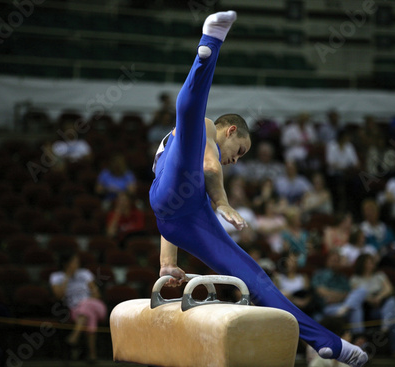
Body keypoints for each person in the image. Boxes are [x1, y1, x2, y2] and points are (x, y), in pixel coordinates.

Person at [148, 11, 367, 367]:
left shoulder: (208, 155)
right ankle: (209, 44)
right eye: (241, 151)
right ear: (231, 132)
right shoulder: (208, 131)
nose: (238, 160)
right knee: (192, 116)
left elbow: (179, 204)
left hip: (180, 219)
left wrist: (166, 264)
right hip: (176, 192)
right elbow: (209, 165)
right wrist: (222, 202)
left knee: (254, 279)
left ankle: (327, 344)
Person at [50, 253, 107, 362]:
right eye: (74, 262)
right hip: (74, 310)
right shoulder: (56, 277)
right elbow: (59, 296)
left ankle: (75, 337)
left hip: (96, 306)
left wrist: (86, 301)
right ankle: (92, 355)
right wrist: (67, 277)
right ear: (66, 264)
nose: (77, 264)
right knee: (89, 316)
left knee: (86, 305)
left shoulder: (85, 274)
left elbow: (97, 294)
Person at [350, 254, 395, 358]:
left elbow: (389, 289)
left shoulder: (380, 276)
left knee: (392, 302)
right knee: (394, 319)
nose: (371, 264)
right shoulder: (355, 279)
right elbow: (356, 294)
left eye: (372, 262)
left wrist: (379, 297)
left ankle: (385, 329)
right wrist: (370, 299)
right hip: (366, 309)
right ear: (362, 263)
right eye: (369, 262)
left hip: (382, 306)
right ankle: (394, 346)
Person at [311, 250, 367, 335]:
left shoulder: (343, 278)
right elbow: (321, 291)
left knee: (361, 291)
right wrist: (340, 296)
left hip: (341, 306)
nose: (335, 263)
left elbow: (348, 294)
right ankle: (359, 337)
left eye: (337, 261)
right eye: (333, 260)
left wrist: (334, 296)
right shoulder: (319, 274)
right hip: (327, 308)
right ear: (327, 261)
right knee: (355, 307)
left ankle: (345, 309)